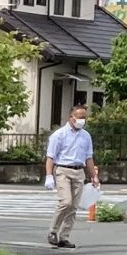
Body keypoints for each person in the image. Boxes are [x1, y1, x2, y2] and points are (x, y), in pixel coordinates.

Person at [43, 105, 98, 246]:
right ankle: (53, 231)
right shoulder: (59, 135)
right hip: (63, 170)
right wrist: (49, 176)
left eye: (84, 118)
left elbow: (88, 157)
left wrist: (94, 176)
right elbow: (50, 157)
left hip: (79, 171)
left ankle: (64, 237)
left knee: (73, 207)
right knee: (66, 202)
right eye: (80, 118)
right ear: (71, 117)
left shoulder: (86, 136)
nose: (82, 121)